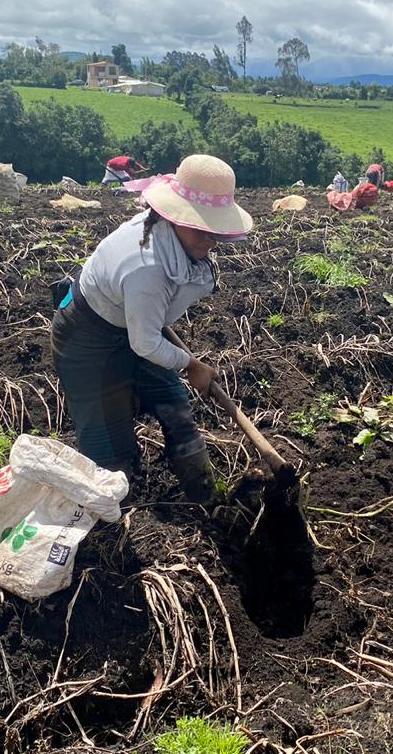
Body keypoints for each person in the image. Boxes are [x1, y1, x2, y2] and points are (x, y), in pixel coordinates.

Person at [50, 154, 253, 505]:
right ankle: (118, 524)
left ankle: (207, 501)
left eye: (214, 230)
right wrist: (191, 365)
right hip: (88, 339)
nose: (209, 239)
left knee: (176, 408)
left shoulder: (170, 238)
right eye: (201, 228)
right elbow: (144, 342)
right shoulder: (148, 268)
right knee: (111, 453)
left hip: (131, 326)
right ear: (175, 216)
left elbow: (145, 332)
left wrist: (176, 358)